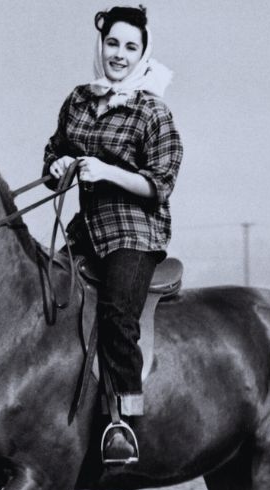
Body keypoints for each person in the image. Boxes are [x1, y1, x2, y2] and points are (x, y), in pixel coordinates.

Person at [42, 4, 183, 465]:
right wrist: (58, 167)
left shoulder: (152, 112)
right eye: (112, 44)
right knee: (47, 299)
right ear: (100, 45)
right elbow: (54, 155)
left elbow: (159, 185)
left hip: (135, 232)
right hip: (87, 231)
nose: (118, 55)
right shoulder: (78, 100)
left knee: (117, 318)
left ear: (143, 54)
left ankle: (123, 423)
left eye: (130, 47)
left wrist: (105, 171)